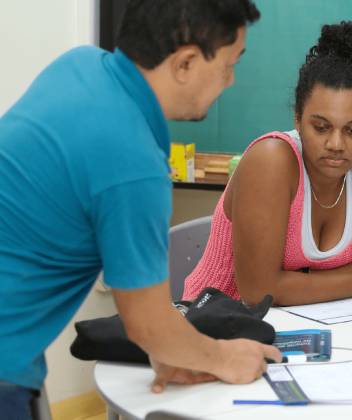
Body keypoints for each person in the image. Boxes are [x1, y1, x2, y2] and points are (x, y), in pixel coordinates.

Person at [0, 1, 281, 417]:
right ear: (185, 62)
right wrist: (224, 358)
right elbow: (146, 323)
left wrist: (175, 347)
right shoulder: (132, 160)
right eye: (228, 64)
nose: (231, 80)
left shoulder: (81, 66)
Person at [181, 21, 352, 306]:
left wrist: (292, 280)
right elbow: (258, 293)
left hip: (326, 320)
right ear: (298, 119)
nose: (336, 144)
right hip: (220, 323)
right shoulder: (271, 161)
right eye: (321, 127)